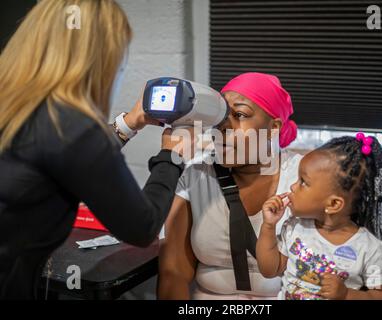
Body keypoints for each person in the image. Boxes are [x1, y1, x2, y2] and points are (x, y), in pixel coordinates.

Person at [0, 0, 192, 299]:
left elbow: (64, 158)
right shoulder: (72, 126)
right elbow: (142, 227)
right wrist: (172, 155)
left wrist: (128, 124)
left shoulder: (17, 105)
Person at [158, 72, 300, 299]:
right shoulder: (195, 174)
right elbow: (173, 272)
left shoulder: (302, 179)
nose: (224, 126)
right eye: (221, 116)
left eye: (240, 114)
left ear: (273, 127)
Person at [256, 134, 382, 300]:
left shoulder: (368, 248)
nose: (293, 187)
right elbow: (269, 270)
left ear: (333, 205)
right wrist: (268, 226)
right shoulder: (294, 227)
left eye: (303, 182)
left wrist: (347, 294)